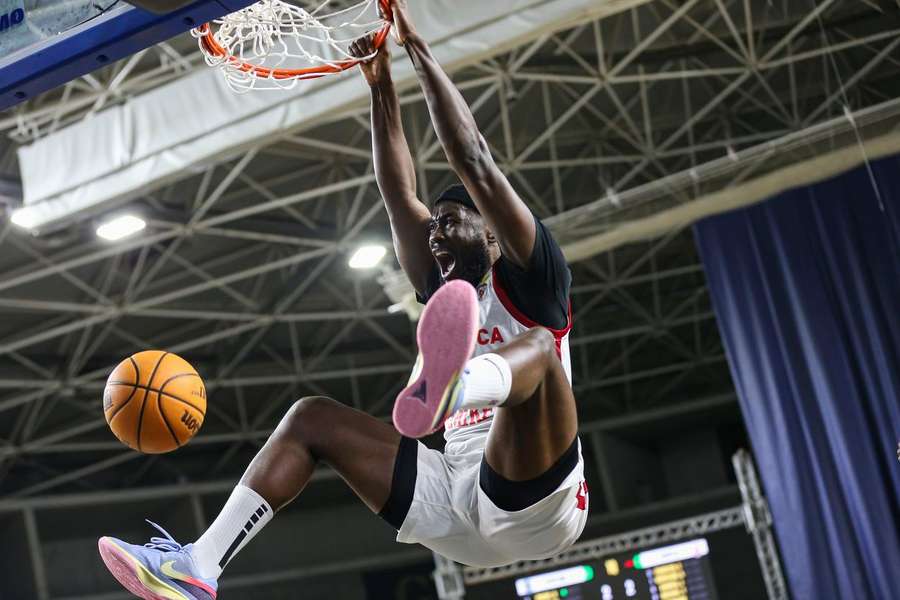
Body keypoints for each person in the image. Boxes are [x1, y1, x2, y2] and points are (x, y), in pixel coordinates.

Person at [96, 3, 586, 598]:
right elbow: (396, 190)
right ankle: (200, 566)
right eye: (433, 227)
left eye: (449, 221)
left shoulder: (535, 279)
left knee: (535, 350)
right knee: (310, 419)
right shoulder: (440, 287)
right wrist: (379, 86)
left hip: (536, 501)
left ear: (490, 234)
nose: (433, 233)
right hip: (456, 502)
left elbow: (474, 159)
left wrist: (417, 51)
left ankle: (449, 386)